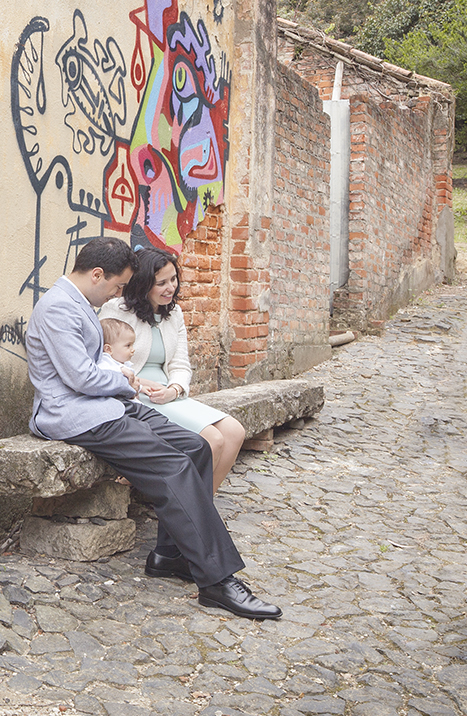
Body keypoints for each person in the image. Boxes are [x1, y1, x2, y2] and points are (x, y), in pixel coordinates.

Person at [25, 235, 280, 621]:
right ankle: (217, 581)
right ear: (97, 274)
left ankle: (168, 555)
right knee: (172, 466)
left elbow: (94, 371)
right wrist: (126, 381)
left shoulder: (78, 304)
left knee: (195, 447)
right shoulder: (58, 308)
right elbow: (80, 377)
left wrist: (122, 385)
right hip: (78, 415)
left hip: (108, 406)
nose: (119, 292)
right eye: (117, 285)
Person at [101, 249, 247, 492]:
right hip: (137, 396)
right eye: (161, 283)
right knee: (212, 440)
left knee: (234, 431)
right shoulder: (117, 310)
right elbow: (103, 361)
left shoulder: (174, 313)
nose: (170, 288)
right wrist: (141, 382)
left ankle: (201, 507)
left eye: (173, 279)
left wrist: (175, 389)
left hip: (169, 395)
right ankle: (188, 513)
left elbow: (180, 363)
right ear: (144, 284)